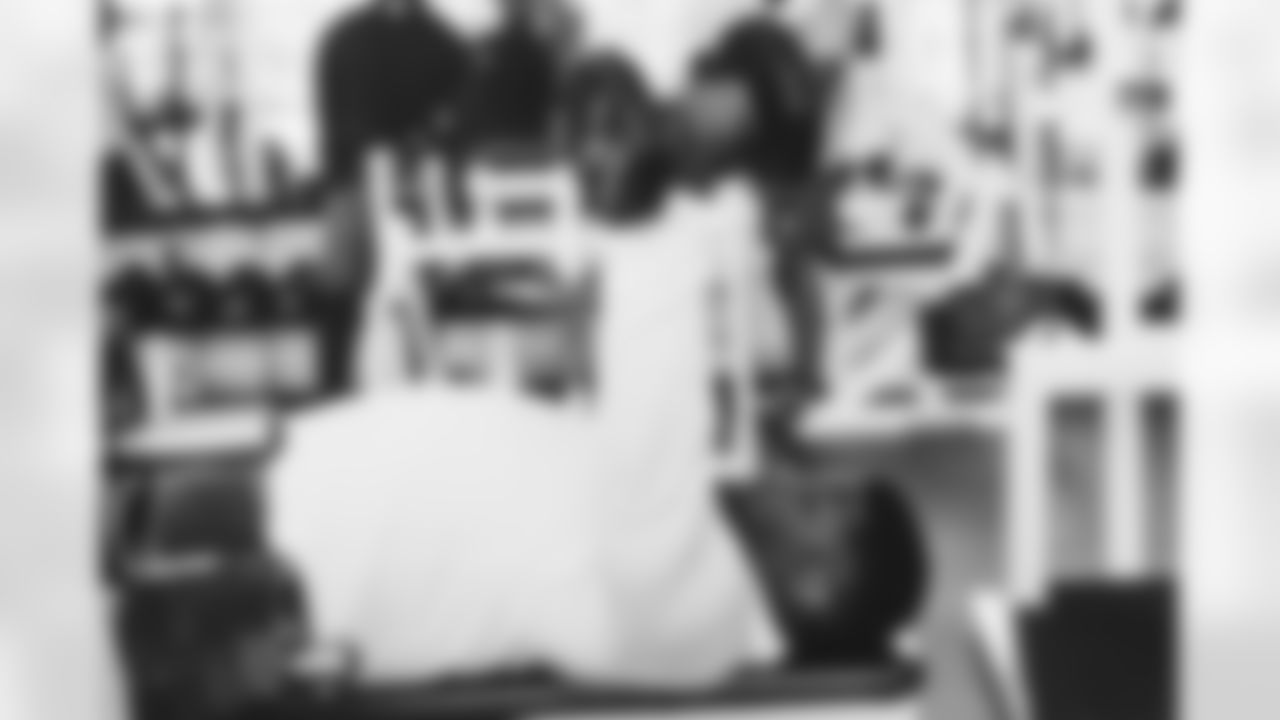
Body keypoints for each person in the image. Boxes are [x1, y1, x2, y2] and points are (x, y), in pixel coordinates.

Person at [313, 0, 472, 395]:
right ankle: (333, 392)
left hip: (414, 179)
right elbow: (329, 112)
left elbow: (459, 112)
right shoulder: (344, 37)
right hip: (353, 178)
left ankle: (425, 390)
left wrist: (424, 152)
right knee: (340, 287)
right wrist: (344, 169)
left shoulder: (443, 41)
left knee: (417, 284)